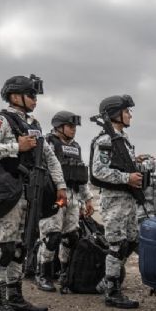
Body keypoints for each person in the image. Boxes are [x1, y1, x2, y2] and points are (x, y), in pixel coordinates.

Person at [0, 74, 67, 311]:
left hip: (28, 192)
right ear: (15, 96)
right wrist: (16, 147)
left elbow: (49, 156)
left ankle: (15, 296)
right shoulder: (1, 120)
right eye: (31, 95)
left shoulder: (34, 124)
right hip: (6, 192)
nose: (35, 100)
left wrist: (60, 185)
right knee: (3, 246)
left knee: (20, 246)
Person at [89, 94, 145, 309]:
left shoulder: (122, 139)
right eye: (127, 111)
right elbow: (99, 170)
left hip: (127, 199)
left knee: (130, 241)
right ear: (115, 114)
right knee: (117, 244)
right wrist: (127, 178)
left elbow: (118, 163)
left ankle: (106, 281)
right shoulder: (106, 140)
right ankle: (112, 290)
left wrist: (136, 162)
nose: (130, 115)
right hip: (113, 199)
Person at [35, 111, 93, 293]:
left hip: (73, 196)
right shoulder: (48, 143)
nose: (74, 130)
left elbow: (80, 174)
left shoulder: (75, 146)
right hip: (54, 195)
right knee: (51, 237)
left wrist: (88, 199)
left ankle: (65, 274)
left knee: (71, 237)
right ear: (59, 127)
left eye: (75, 127)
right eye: (70, 126)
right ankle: (43, 274)